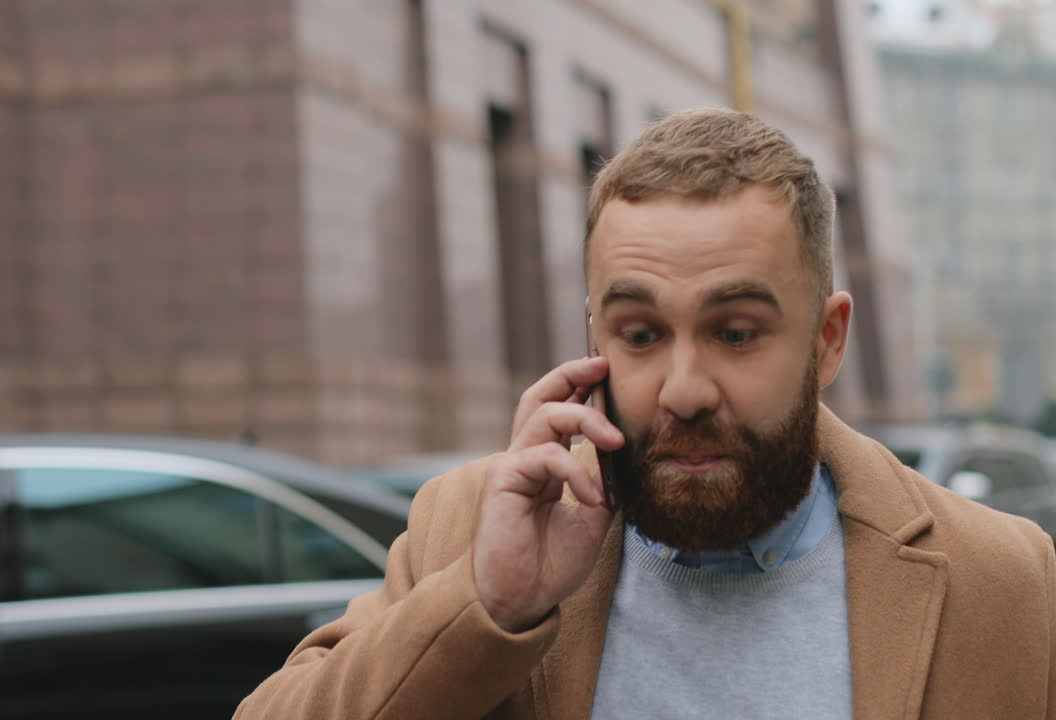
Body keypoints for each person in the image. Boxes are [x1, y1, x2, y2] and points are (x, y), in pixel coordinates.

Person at [234, 108, 1056, 719]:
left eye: (736, 332)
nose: (684, 390)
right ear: (594, 341)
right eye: (641, 334)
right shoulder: (468, 531)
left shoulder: (1002, 579)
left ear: (827, 339)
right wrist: (490, 606)